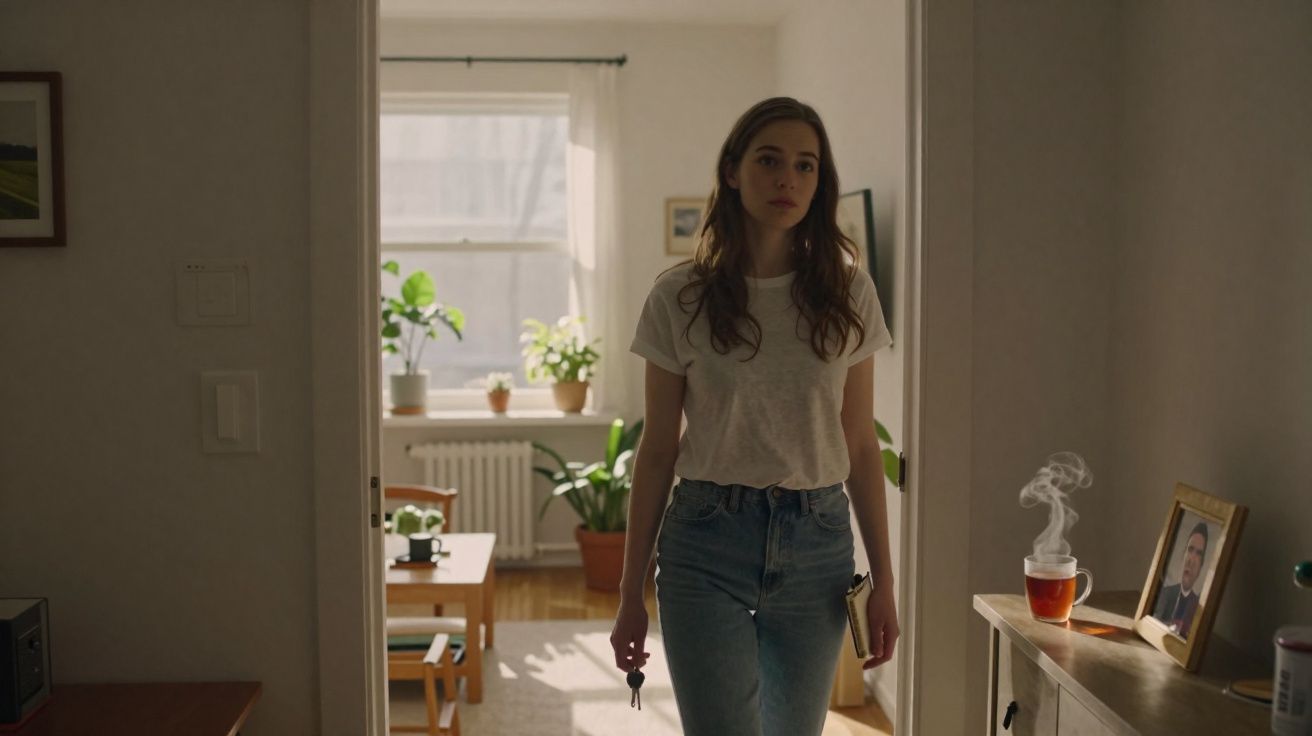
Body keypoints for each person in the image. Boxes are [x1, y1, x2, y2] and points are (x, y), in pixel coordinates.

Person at [610, 97, 898, 736]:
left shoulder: (849, 293)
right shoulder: (678, 296)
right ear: (733, 171)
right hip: (705, 541)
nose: (787, 179)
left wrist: (885, 582)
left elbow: (859, 445)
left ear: (819, 183)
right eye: (769, 160)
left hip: (818, 543)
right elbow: (657, 450)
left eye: (805, 165)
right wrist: (630, 593)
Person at [1152, 521, 1209, 638]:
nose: (1191, 560)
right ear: (1183, 555)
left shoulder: (1198, 609)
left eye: (1198, 554)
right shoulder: (1165, 594)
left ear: (1201, 565)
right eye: (1190, 549)